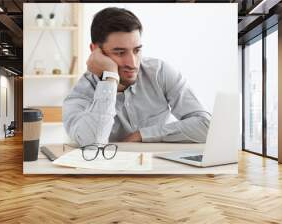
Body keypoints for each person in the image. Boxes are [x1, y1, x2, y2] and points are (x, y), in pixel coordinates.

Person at [63, 7, 211, 147]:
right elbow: (92, 144)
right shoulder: (80, 95)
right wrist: (110, 78)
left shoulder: (159, 72)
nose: (132, 63)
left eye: (136, 50)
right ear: (95, 51)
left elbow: (207, 126)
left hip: (160, 167)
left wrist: (142, 135)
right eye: (120, 52)